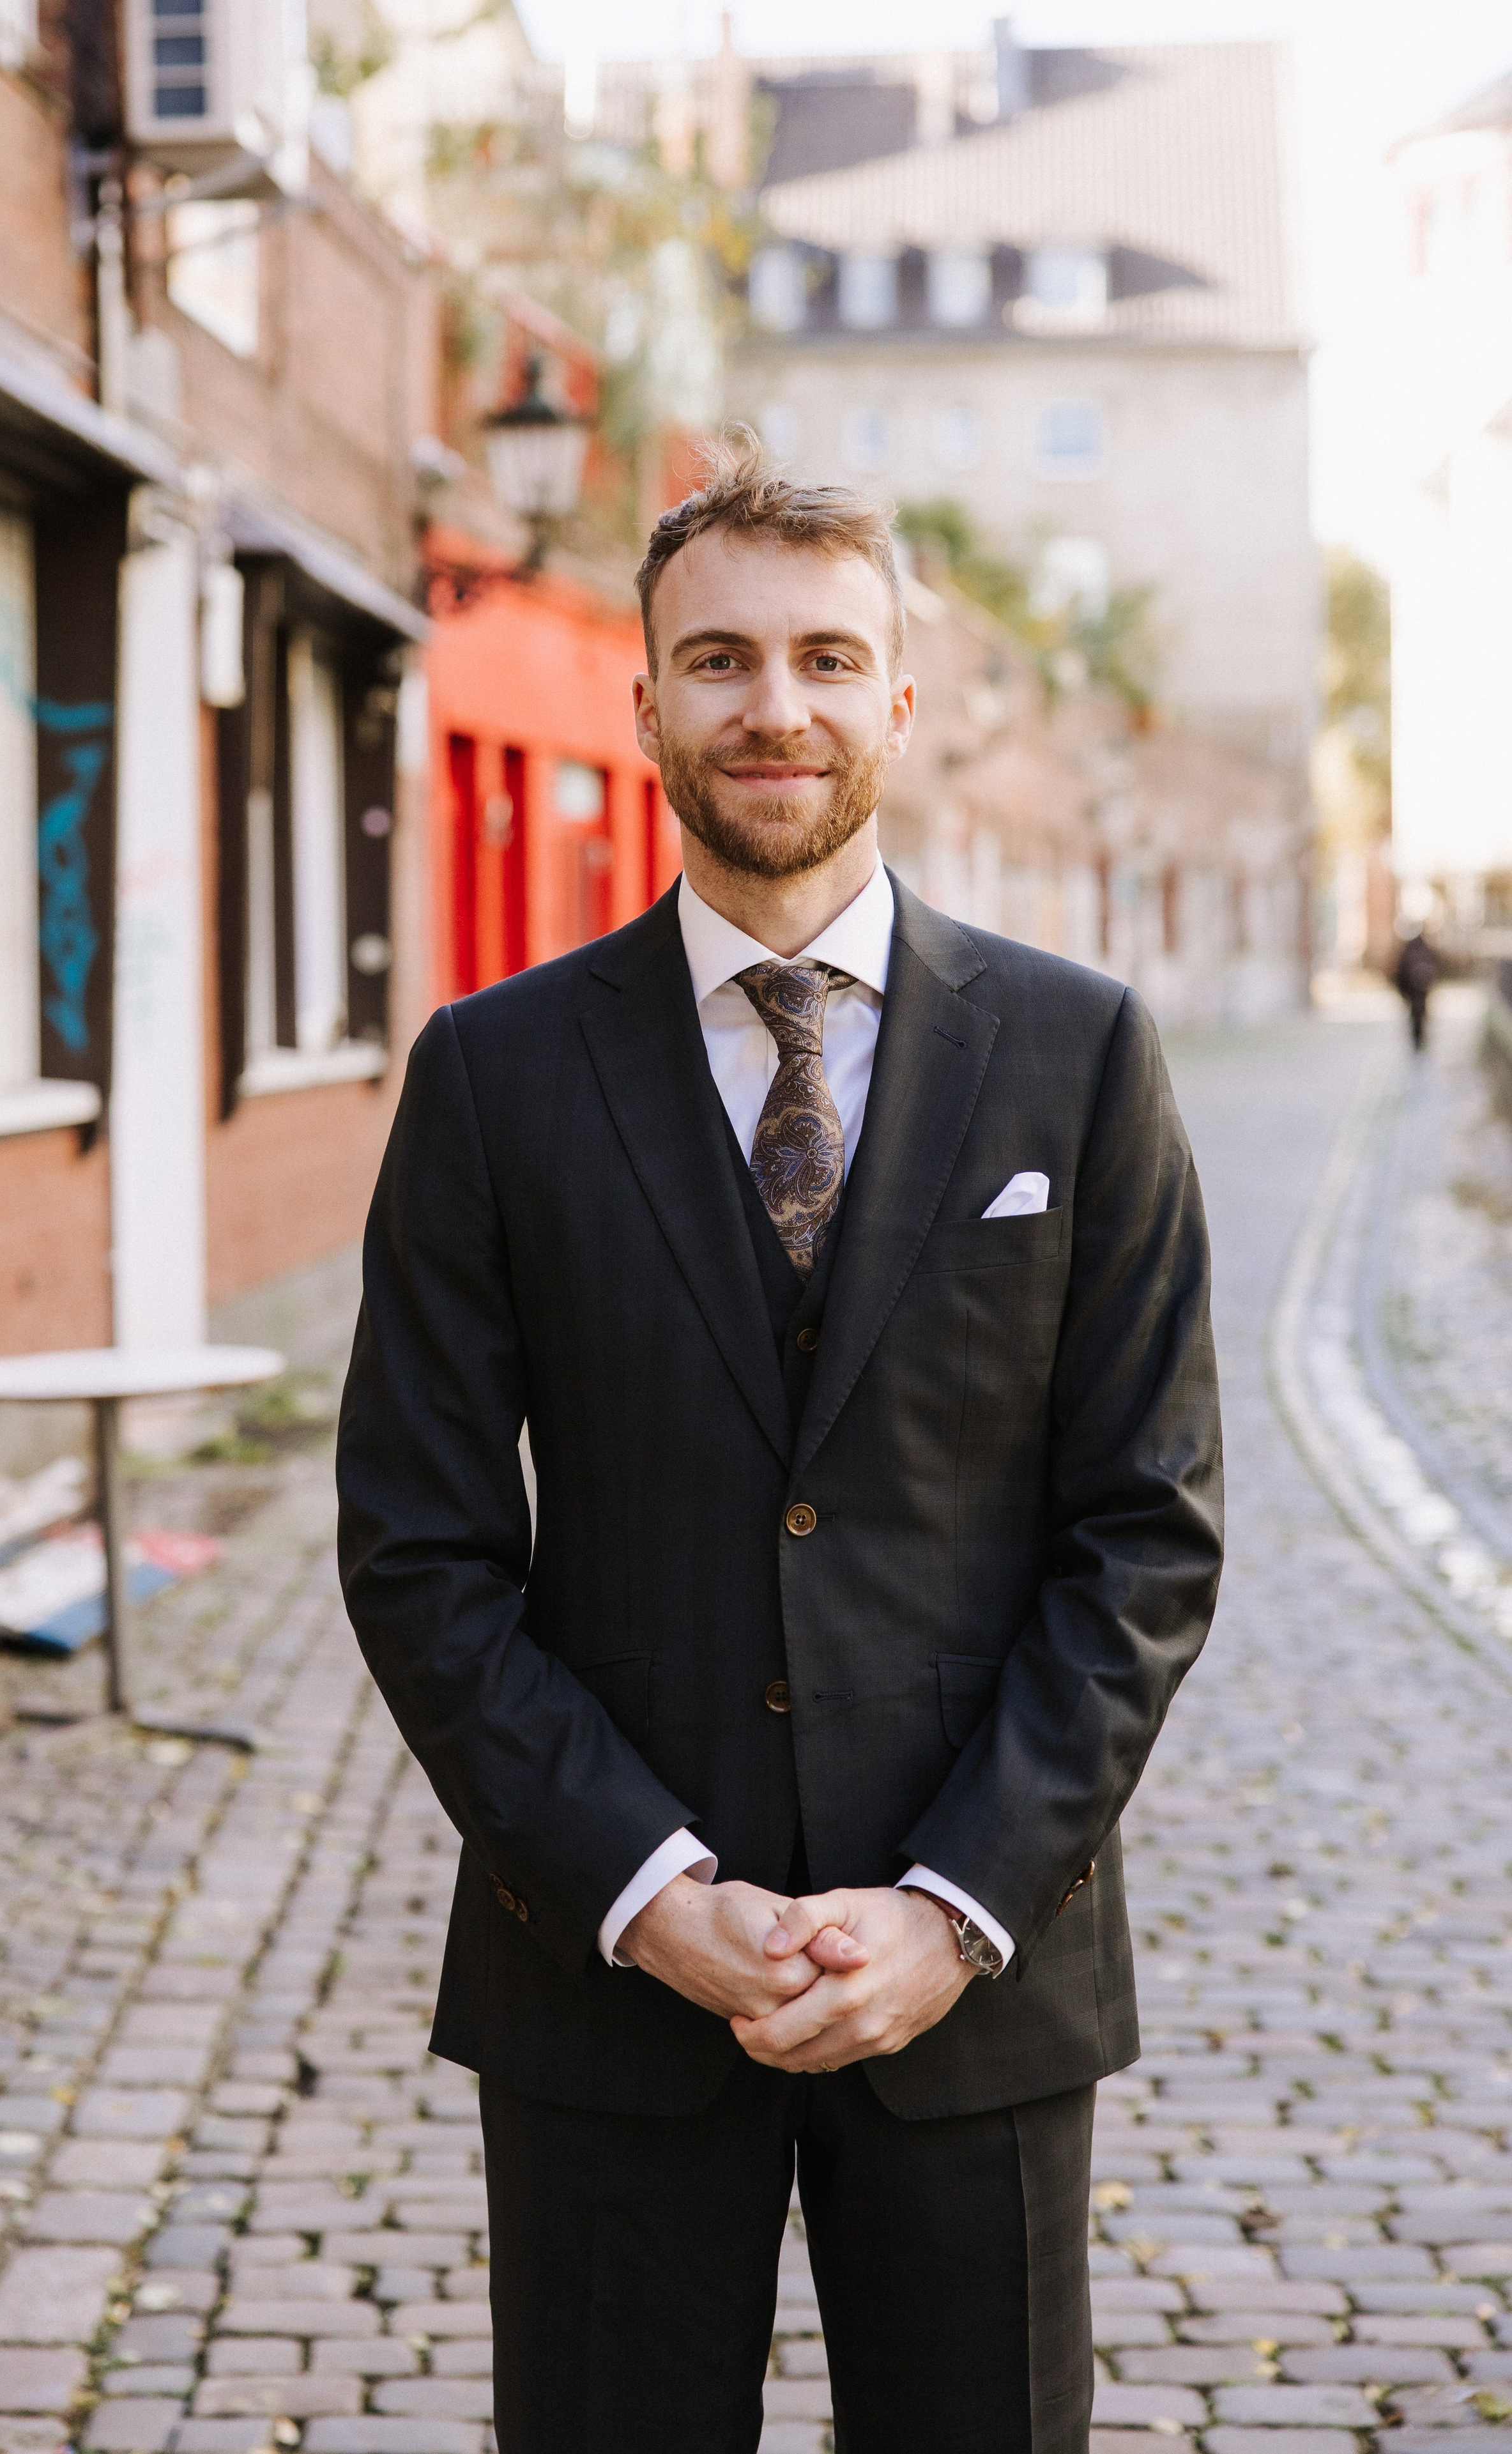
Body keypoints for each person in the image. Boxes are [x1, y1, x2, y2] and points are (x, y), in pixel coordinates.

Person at [337, 436, 1224, 2454]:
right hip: (609, 1983)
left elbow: (1145, 1532)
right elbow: (419, 1546)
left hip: (979, 1978)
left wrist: (954, 1904)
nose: (776, 705)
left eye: (828, 655)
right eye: (720, 657)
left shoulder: (1080, 1053)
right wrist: (645, 1888)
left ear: (897, 703)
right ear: (642, 697)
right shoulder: (493, 1073)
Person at [1394, 926, 1440, 1052]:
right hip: (1421, 991)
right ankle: (1420, 1040)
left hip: (1414, 992)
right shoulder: (1426, 950)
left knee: (1416, 1015)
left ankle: (1417, 1041)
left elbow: (1400, 973)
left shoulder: (1408, 951)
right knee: (1421, 1014)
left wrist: (1403, 993)